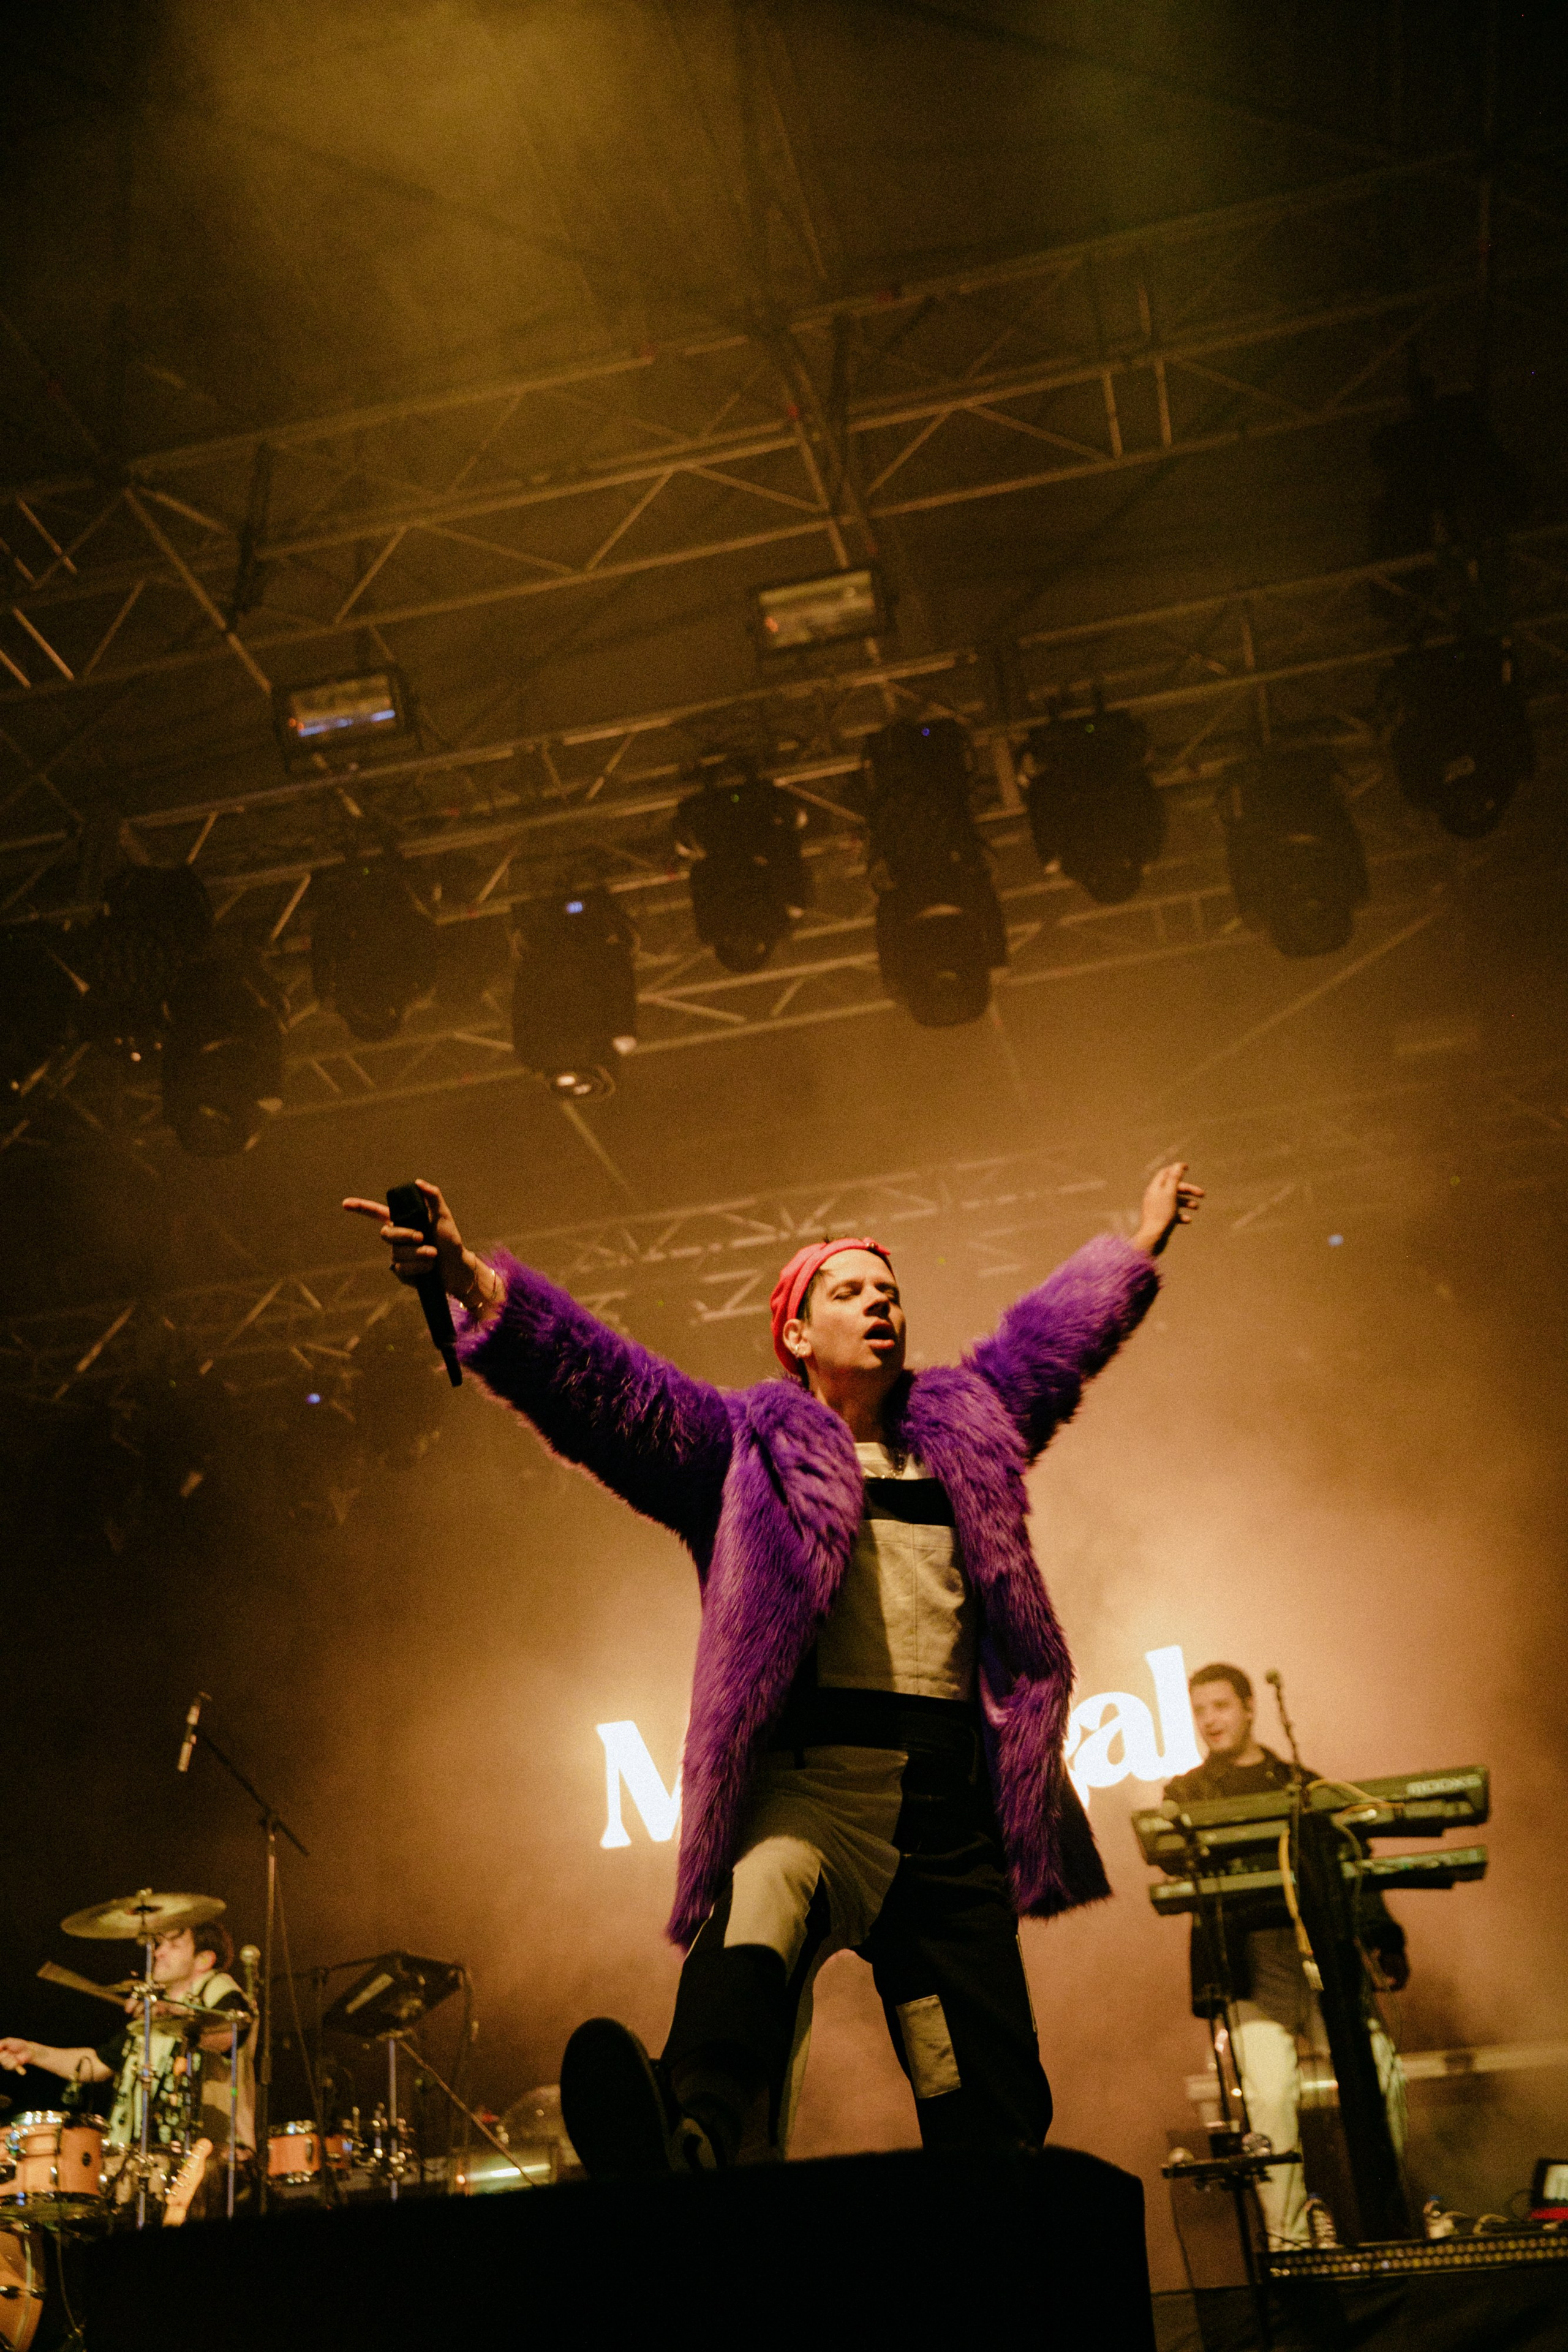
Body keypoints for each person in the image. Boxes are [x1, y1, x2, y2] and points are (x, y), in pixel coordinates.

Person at [345, 1161, 1202, 2175]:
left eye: (888, 1291)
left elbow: (1057, 1342)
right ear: (796, 1335)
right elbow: (602, 1388)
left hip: (946, 1824)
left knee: (983, 2098)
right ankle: (690, 2129)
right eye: (849, 1290)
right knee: (752, 1930)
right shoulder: (741, 1449)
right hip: (811, 1799)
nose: (879, 1301)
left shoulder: (971, 1431)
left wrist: (1139, 1245)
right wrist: (469, 1280)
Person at [1164, 1664, 1408, 2247]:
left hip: (1321, 1953)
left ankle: (1388, 2217)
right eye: (1199, 1711)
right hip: (1252, 1966)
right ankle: (1291, 2242)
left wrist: (1383, 1935)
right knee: (1269, 2097)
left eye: (1220, 1706)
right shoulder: (1187, 1793)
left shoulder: (1302, 1783)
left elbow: (1354, 1866)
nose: (1209, 1721)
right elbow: (1172, 1857)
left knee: (1381, 2074)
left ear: (1251, 1708)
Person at [0, 1920, 255, 2214]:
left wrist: (171, 2011)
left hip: (208, 2163)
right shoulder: (153, 2017)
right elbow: (96, 2065)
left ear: (203, 1960)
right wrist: (32, 2052)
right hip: (144, 2164)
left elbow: (227, 2034)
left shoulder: (220, 1990)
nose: (159, 1953)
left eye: (174, 1945)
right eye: (160, 1945)